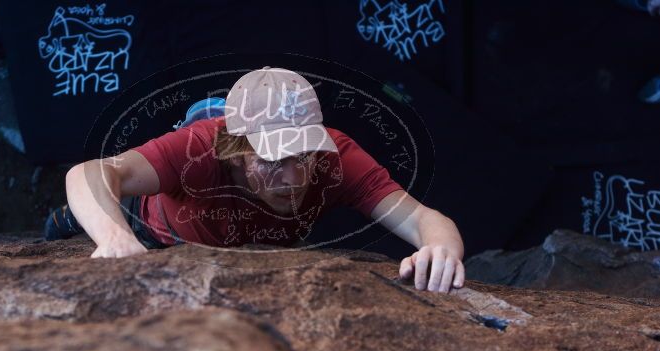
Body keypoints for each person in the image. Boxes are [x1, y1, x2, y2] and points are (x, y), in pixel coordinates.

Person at [47, 66, 465, 293]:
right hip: (154, 230)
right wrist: (114, 239)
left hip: (254, 252)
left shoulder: (335, 157)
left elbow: (421, 218)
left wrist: (441, 251)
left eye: (302, 154)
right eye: (272, 159)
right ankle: (72, 220)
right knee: (84, 215)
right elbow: (89, 172)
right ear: (238, 147)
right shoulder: (201, 146)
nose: (293, 177)